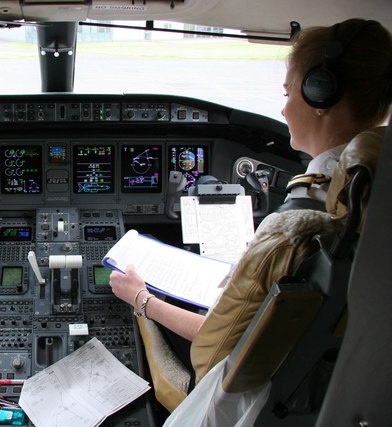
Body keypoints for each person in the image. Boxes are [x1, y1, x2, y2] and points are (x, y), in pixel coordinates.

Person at [109, 18, 392, 387]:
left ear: (320, 94)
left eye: (289, 94)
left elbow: (215, 348)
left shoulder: (299, 224)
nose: (284, 110)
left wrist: (141, 298)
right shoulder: (370, 189)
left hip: (247, 378)